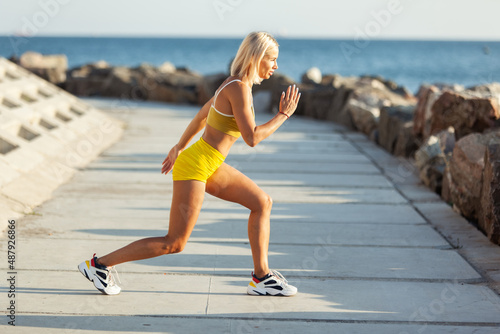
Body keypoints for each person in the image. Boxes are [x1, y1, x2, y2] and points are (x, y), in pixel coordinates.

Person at [78, 31, 301, 297]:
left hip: (208, 162)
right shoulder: (238, 88)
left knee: (261, 203)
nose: (276, 66)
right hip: (197, 166)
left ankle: (261, 277)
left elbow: (202, 115)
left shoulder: (234, 85)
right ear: (256, 57)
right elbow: (252, 137)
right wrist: (283, 115)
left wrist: (179, 146)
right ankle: (98, 265)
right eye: (272, 59)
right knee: (174, 243)